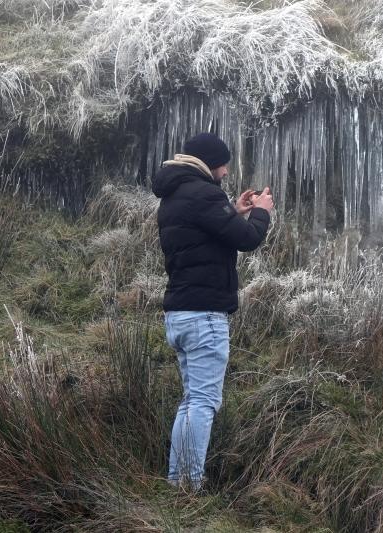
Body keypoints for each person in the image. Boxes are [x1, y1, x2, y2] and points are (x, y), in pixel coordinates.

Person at [151, 132, 274, 492]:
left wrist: (233, 212)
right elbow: (248, 240)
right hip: (204, 316)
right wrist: (262, 213)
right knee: (203, 402)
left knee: (191, 401)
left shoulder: (175, 195)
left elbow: (205, 233)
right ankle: (191, 483)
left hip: (179, 313)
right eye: (222, 164)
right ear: (208, 161)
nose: (225, 171)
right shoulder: (203, 192)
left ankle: (178, 481)